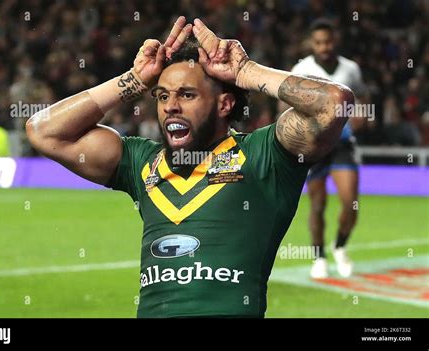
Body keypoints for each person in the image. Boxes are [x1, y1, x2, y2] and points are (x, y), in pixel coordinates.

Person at [26, 17, 354, 317]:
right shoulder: (141, 162)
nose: (170, 107)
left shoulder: (262, 157)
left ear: (224, 104)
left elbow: (333, 104)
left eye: (186, 95)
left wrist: (246, 72)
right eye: (162, 95)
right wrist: (134, 79)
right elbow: (44, 131)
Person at [287, 19, 364, 279]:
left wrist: (362, 113)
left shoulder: (350, 69)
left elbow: (362, 96)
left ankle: (340, 247)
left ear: (335, 40)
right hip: (315, 145)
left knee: (350, 204)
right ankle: (319, 257)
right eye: (319, 42)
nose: (324, 47)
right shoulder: (302, 68)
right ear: (312, 43)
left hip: (343, 144)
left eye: (328, 41)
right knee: (317, 205)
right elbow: (286, 103)